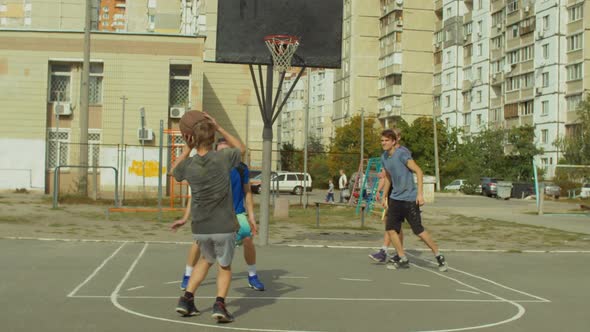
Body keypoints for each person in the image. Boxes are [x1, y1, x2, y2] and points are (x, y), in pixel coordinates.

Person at [169, 112, 245, 323]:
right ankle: (220, 305)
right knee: (225, 266)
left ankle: (186, 299)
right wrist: (219, 127)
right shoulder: (222, 158)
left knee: (206, 259)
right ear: (212, 139)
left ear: (191, 138)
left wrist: (187, 148)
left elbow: (173, 171)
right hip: (223, 224)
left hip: (201, 227)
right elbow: (242, 148)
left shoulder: (190, 165)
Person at [177, 138, 265, 292]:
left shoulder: (241, 168)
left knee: (248, 238)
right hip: (214, 214)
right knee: (199, 243)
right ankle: (187, 275)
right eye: (221, 150)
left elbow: (247, 192)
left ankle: (252, 275)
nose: (224, 153)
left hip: (236, 213)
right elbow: (196, 195)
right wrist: (186, 216)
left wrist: (251, 216)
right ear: (215, 152)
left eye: (227, 150)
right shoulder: (210, 168)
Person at [379, 128, 447, 272]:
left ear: (393, 141)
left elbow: (419, 171)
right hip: (395, 199)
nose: (383, 143)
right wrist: (384, 195)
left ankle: (438, 255)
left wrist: (420, 194)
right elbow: (389, 178)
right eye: (382, 140)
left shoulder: (402, 154)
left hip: (409, 199)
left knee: (418, 231)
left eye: (386, 141)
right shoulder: (384, 157)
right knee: (391, 229)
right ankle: (403, 258)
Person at [370, 128, 403, 263]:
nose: (385, 141)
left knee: (394, 225)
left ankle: (394, 252)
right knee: (389, 223)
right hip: (390, 192)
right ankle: (394, 252)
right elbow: (385, 176)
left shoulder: (402, 153)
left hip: (400, 193)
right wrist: (379, 191)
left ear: (397, 138)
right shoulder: (386, 154)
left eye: (391, 137)